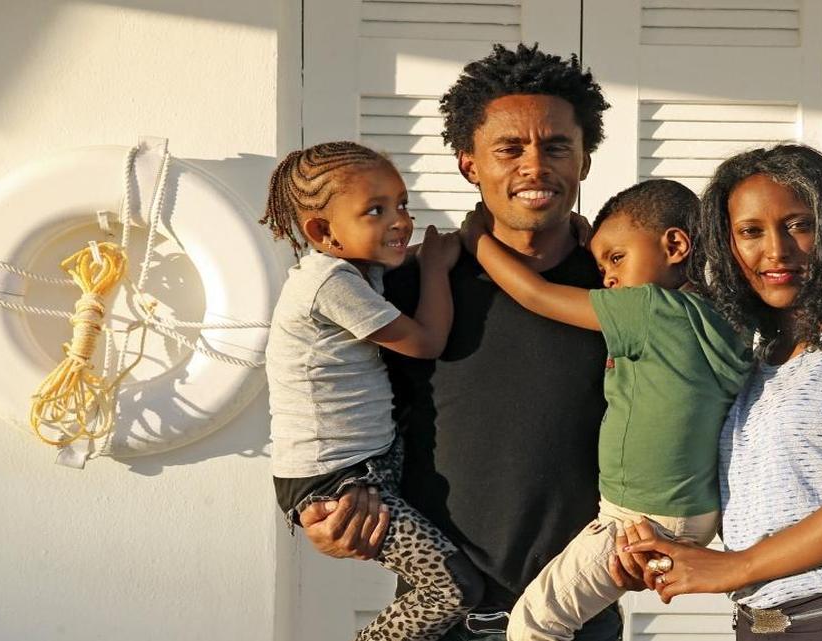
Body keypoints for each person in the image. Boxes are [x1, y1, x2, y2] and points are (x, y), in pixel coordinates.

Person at [298, 44, 620, 640]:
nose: (534, 165)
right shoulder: (405, 289)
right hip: (445, 618)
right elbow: (324, 405)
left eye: (556, 146)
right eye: (509, 149)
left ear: (584, 159)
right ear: (469, 162)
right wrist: (323, 515)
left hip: (579, 620)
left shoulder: (619, 292)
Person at [618, 144, 822, 640]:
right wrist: (668, 552)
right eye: (751, 231)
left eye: (799, 224)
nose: (776, 251)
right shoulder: (750, 361)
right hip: (761, 625)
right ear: (728, 246)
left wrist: (733, 567)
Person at [462, 179, 753, 641]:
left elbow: (535, 294)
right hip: (688, 513)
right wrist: (595, 239)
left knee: (536, 623)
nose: (609, 278)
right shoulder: (719, 318)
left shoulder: (649, 309)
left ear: (676, 245)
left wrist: (476, 236)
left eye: (616, 259)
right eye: (602, 267)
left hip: (639, 516)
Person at [259, 141, 483, 641]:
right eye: (376, 211)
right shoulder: (329, 283)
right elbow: (425, 342)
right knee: (451, 588)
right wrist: (434, 269)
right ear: (323, 232)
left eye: (401, 204)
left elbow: (438, 249)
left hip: (368, 458)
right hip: (333, 478)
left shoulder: (360, 268)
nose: (399, 221)